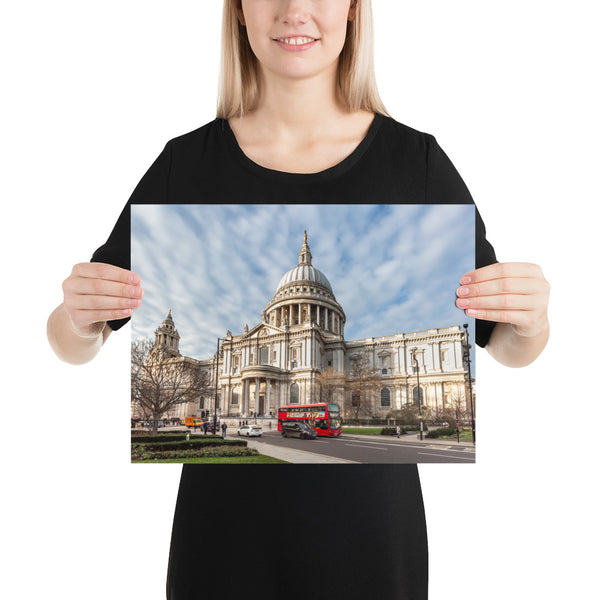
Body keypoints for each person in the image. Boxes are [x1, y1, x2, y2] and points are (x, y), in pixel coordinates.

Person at [46, 1, 549, 598]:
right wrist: (78, 320)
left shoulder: (417, 162)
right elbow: (73, 342)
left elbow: (508, 347)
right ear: (238, 12)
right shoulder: (184, 164)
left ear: (355, 12)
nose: (295, 10)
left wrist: (531, 319)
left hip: (369, 538)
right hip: (224, 539)